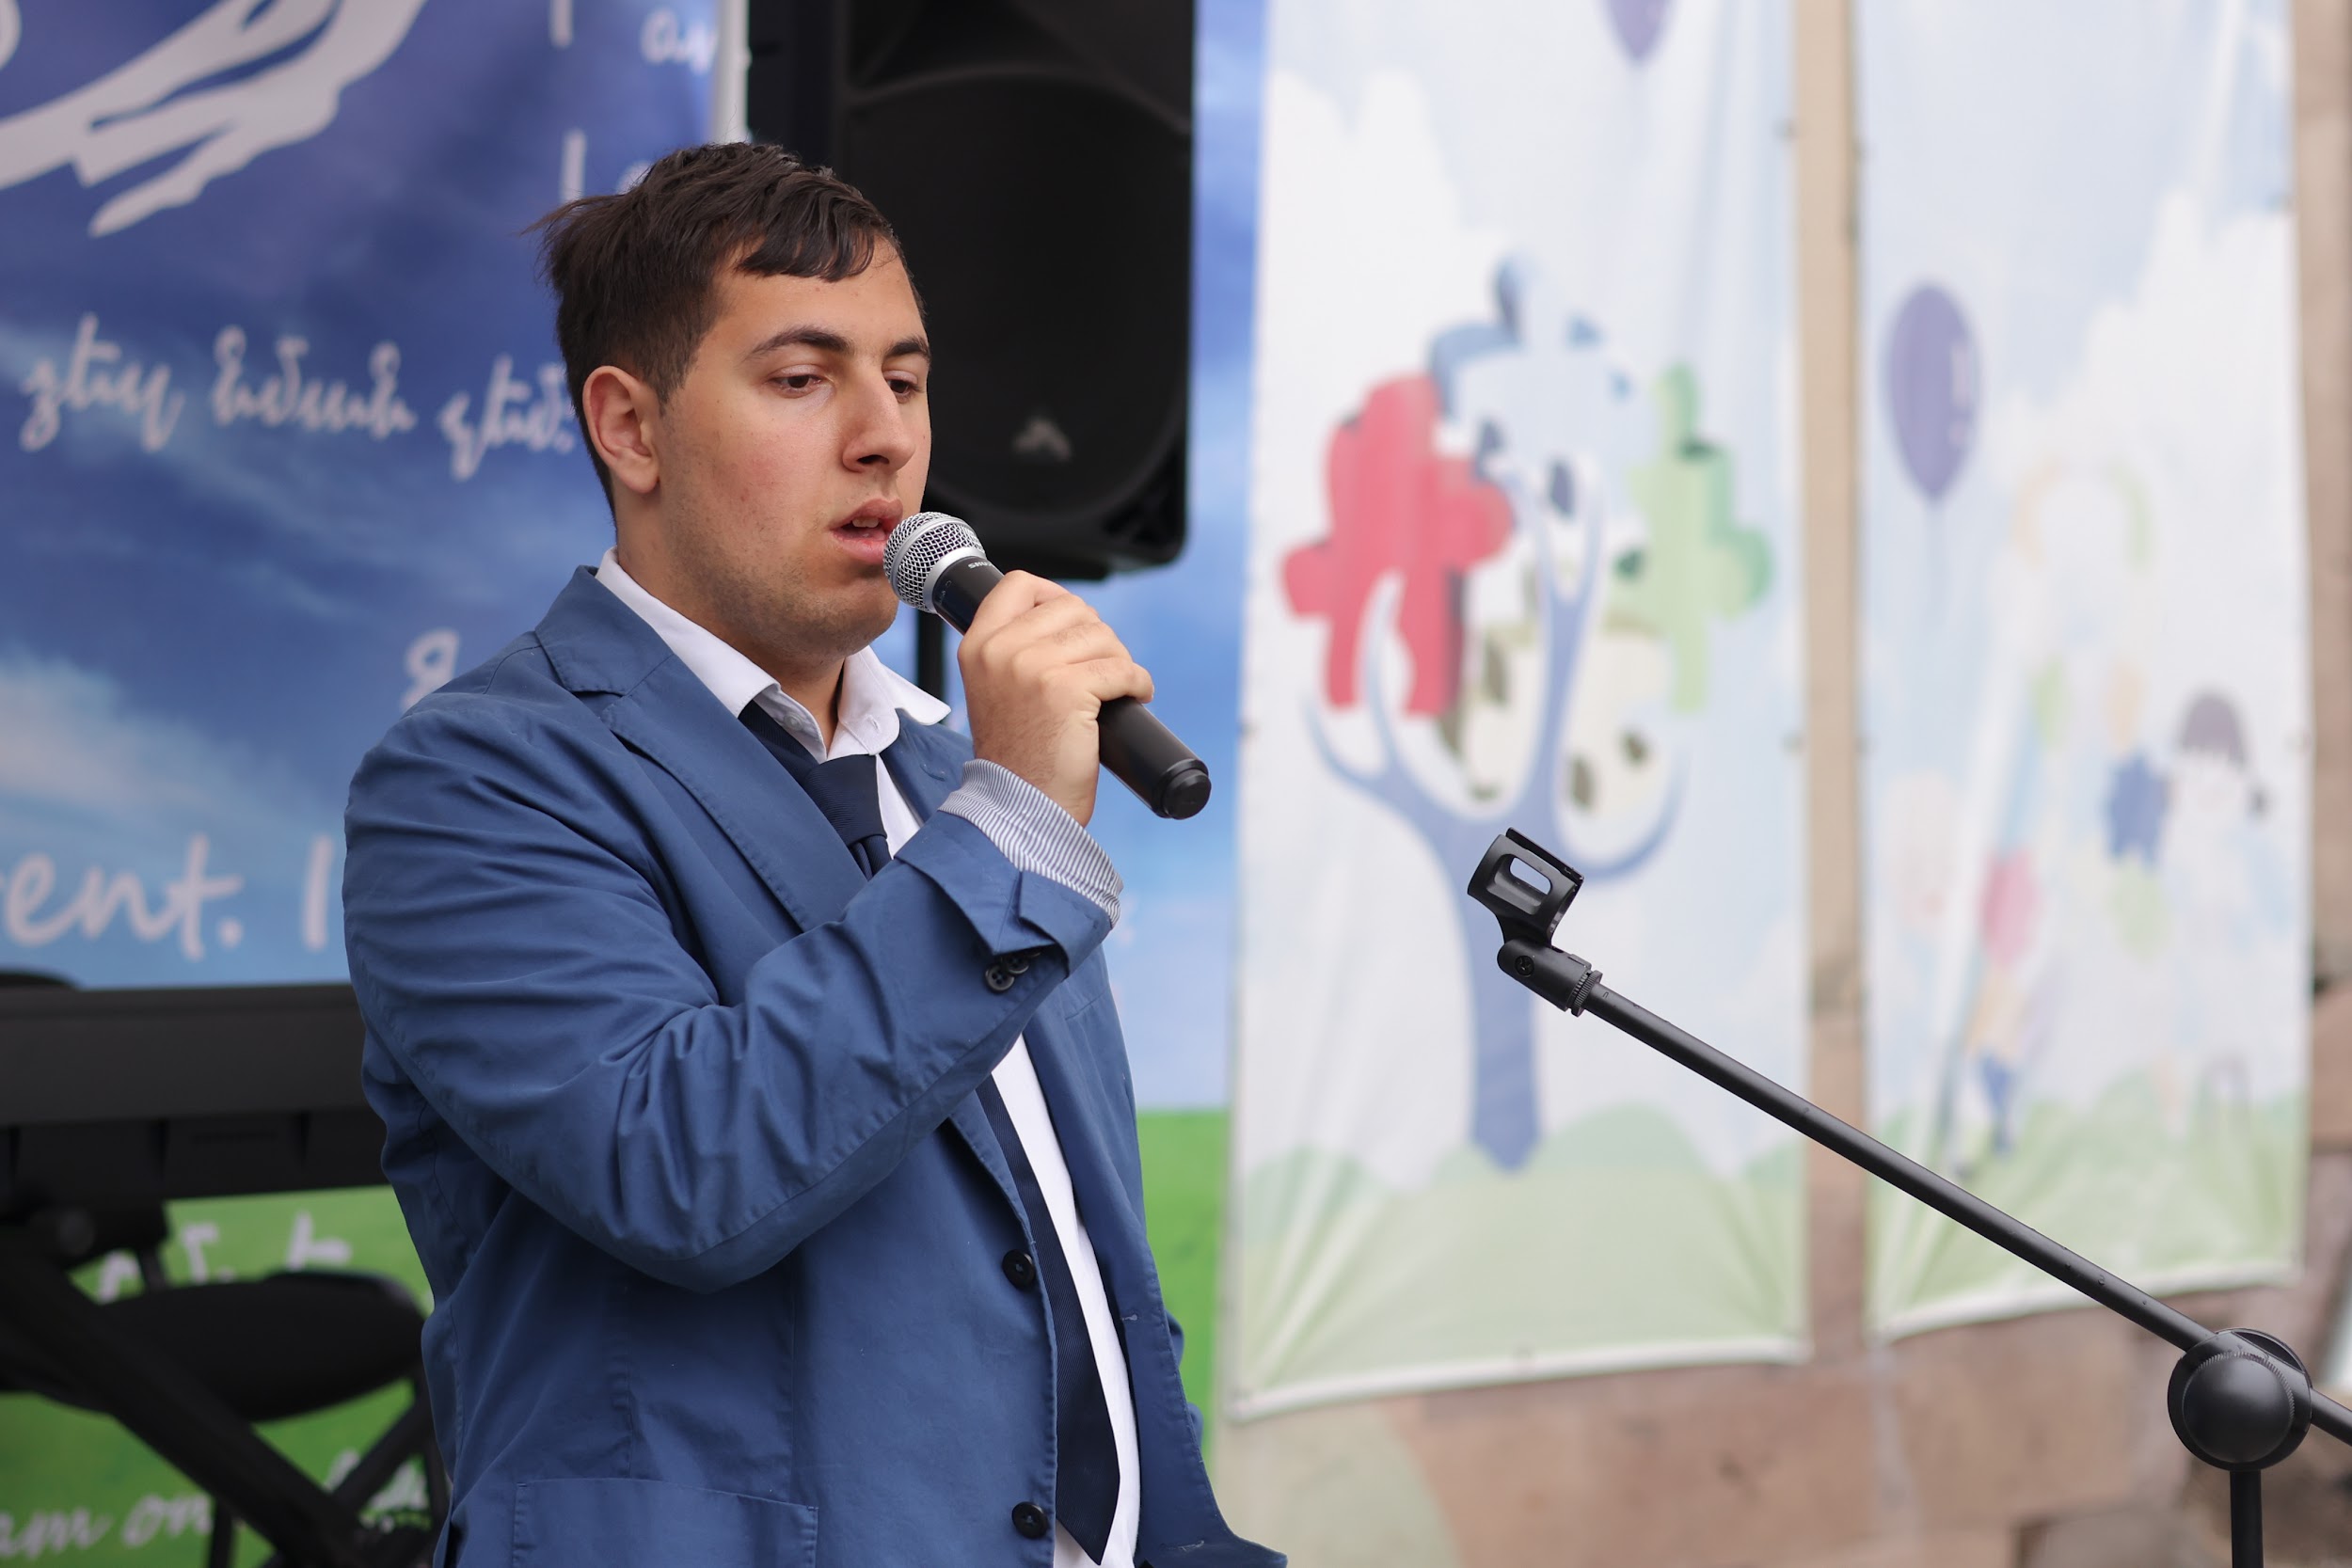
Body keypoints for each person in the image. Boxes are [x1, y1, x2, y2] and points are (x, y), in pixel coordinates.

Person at [342, 142, 1277, 1568]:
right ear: (630, 427)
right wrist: (1016, 823)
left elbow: (1073, 1259)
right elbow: (681, 1171)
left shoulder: (959, 777)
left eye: (905, 378)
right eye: (801, 378)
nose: (884, 435)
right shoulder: (474, 779)